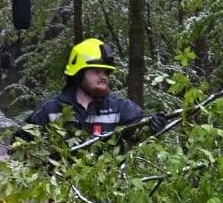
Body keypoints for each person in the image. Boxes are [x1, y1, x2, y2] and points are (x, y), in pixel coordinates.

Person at [22, 38, 167, 138]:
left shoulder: (119, 107)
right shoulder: (51, 109)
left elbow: (140, 129)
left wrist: (153, 125)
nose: (103, 77)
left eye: (106, 72)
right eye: (96, 71)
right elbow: (20, 145)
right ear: (78, 74)